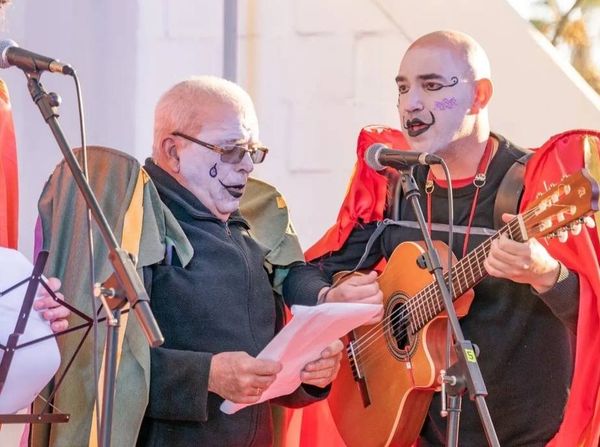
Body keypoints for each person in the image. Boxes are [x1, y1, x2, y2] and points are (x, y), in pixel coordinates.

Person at [310, 30, 581, 446]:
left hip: (518, 435)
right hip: (412, 429)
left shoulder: (534, 188)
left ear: (479, 96)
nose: (411, 103)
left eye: (432, 85)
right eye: (403, 88)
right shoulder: (398, 185)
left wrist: (548, 274)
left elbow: (592, 313)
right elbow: (318, 270)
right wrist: (335, 295)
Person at [135, 75, 381, 447]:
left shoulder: (253, 213)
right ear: (173, 151)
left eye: (253, 151)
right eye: (231, 150)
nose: (248, 166)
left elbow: (292, 275)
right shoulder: (132, 218)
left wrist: (308, 371)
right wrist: (207, 376)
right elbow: (104, 363)